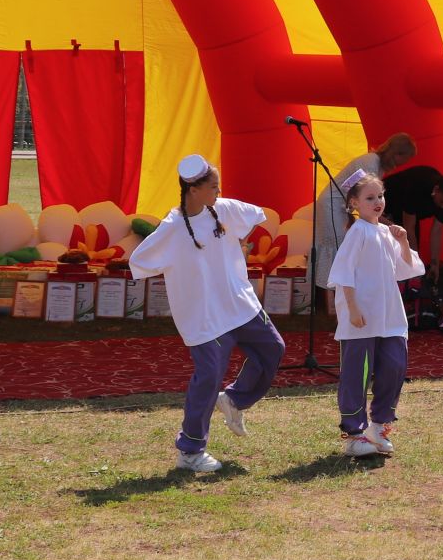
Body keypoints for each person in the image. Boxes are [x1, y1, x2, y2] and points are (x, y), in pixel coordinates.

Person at [128, 154, 287, 473]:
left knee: (273, 349)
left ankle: (235, 400)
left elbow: (259, 216)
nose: (219, 190)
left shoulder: (224, 208)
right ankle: (190, 449)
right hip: (203, 315)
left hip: (239, 302)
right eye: (213, 186)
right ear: (193, 189)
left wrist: (240, 243)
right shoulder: (172, 227)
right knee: (209, 376)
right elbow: (140, 261)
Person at [326, 169, 423, 458]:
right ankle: (354, 433)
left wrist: (404, 241)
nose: (378, 201)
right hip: (362, 319)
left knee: (394, 368)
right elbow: (343, 275)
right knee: (358, 374)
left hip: (390, 317)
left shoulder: (385, 231)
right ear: (354, 203)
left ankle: (379, 426)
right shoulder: (357, 232)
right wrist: (352, 310)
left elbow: (406, 269)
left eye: (380, 195)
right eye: (370, 197)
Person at [314, 133, 416, 313]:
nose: (402, 164)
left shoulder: (377, 166)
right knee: (337, 252)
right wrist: (386, 223)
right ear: (396, 153)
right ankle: (331, 307)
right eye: (403, 159)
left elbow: (360, 199)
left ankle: (336, 305)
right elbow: (366, 202)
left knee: (342, 252)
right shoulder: (371, 164)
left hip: (341, 208)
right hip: (331, 206)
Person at [382, 164, 443, 280]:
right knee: (397, 244)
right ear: (436, 190)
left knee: (411, 251)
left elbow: (437, 232)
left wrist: (435, 264)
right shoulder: (417, 188)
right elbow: (409, 229)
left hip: (409, 211)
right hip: (388, 200)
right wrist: (416, 264)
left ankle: (409, 278)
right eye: (441, 201)